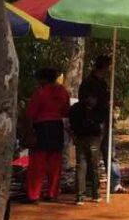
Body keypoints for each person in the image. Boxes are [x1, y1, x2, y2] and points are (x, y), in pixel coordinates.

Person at [23, 68, 71, 204]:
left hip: (41, 127)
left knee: (37, 163)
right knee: (55, 162)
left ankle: (33, 195)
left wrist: (30, 132)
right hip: (56, 126)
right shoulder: (63, 92)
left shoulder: (40, 92)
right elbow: (66, 111)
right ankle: (52, 193)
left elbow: (30, 114)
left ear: (43, 79)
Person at [69, 91, 104, 204]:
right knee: (93, 166)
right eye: (93, 98)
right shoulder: (89, 109)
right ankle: (95, 194)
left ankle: (80, 196)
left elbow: (71, 124)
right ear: (88, 97)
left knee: (81, 166)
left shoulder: (75, 108)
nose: (95, 101)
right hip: (90, 139)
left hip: (80, 139)